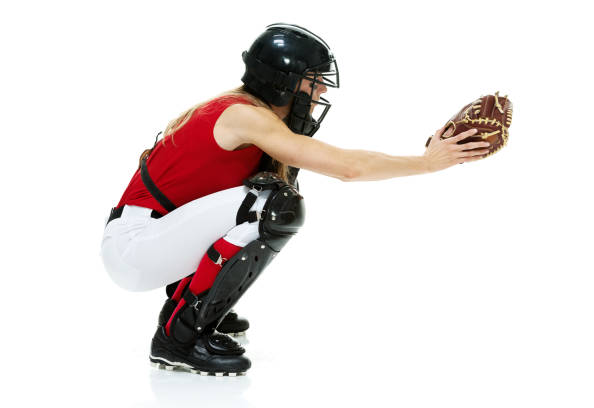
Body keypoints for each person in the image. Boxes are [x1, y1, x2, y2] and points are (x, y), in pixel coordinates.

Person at [99, 23, 489, 377]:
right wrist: (427, 163)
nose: (320, 92)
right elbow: (347, 167)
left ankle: (194, 308)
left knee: (269, 196)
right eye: (313, 82)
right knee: (273, 205)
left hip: (150, 240)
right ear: (281, 81)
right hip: (136, 248)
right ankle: (178, 338)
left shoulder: (246, 113)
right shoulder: (244, 116)